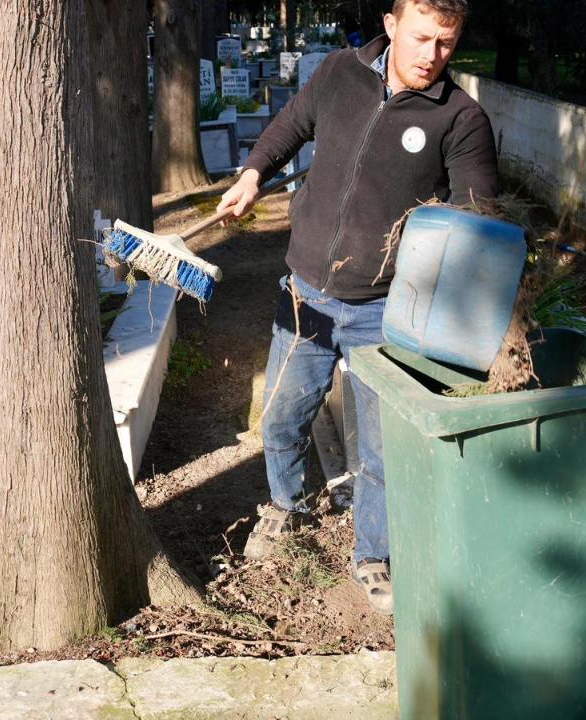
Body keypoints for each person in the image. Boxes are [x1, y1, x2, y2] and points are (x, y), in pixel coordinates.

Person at [215, 0, 499, 614]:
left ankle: (373, 554)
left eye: (446, 43)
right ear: (391, 25)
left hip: (387, 309)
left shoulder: (460, 118)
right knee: (282, 417)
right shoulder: (340, 72)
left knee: (382, 446)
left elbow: (478, 215)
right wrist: (253, 173)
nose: (432, 56)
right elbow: (290, 125)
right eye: (421, 37)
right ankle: (286, 507)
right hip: (307, 293)